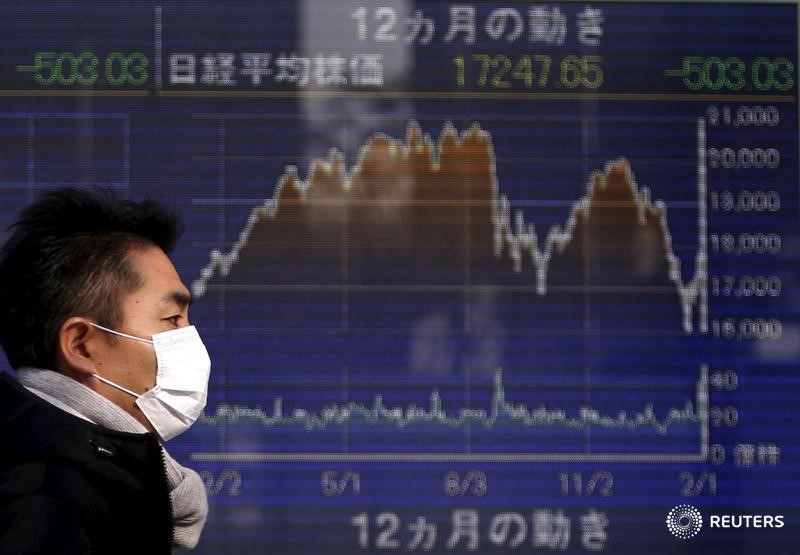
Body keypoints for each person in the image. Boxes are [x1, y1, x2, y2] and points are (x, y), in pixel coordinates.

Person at [0, 187, 209, 553]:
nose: (190, 339)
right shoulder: (42, 507)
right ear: (81, 345)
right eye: (172, 319)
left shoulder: (88, 483)